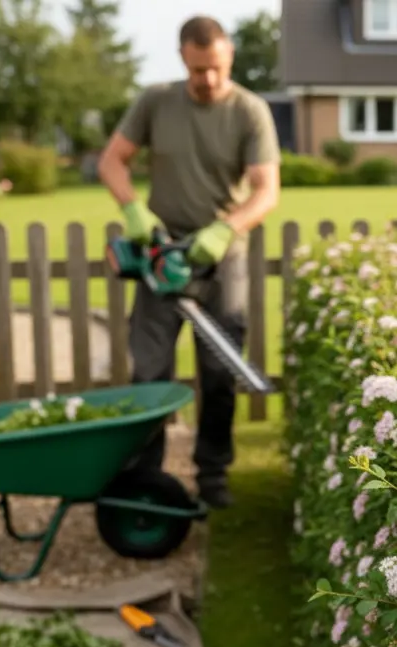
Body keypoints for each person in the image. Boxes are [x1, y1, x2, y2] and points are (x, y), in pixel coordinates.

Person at [98, 15, 281, 509]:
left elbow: (266, 190)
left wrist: (226, 229)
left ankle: (213, 475)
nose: (210, 80)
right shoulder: (156, 101)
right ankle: (146, 479)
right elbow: (112, 160)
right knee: (150, 374)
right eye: (200, 70)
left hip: (221, 258)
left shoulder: (250, 111)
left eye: (218, 68)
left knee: (219, 372)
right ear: (184, 58)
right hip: (162, 256)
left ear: (230, 58)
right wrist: (133, 209)